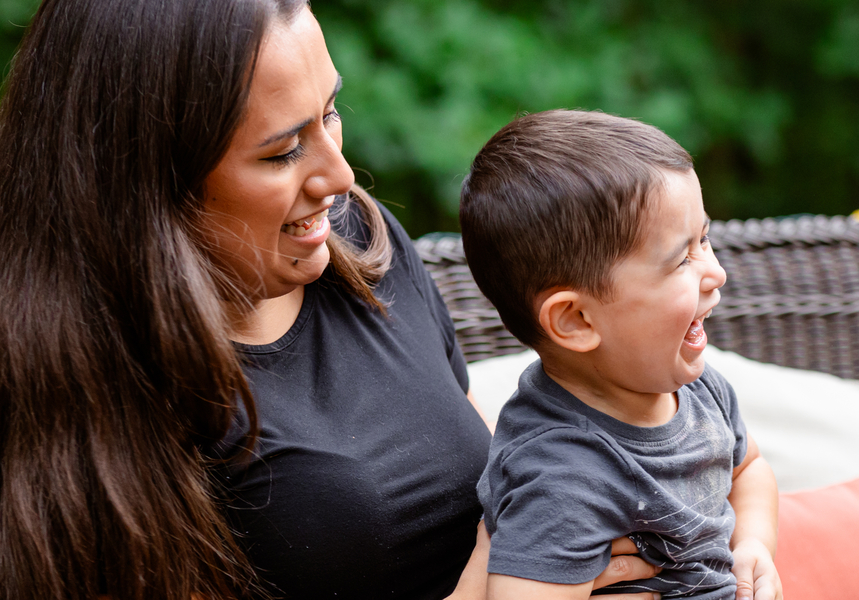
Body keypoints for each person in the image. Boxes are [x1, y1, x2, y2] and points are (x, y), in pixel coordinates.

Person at [0, 1, 658, 598]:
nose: (339, 177)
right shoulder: (101, 398)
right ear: (147, 183)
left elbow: (497, 474)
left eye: (331, 113)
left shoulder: (361, 243)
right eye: (284, 151)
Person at [459, 110, 782, 600]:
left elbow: (747, 468)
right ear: (576, 321)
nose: (715, 272)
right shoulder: (560, 475)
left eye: (705, 239)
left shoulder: (698, 389)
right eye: (682, 259)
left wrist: (754, 542)